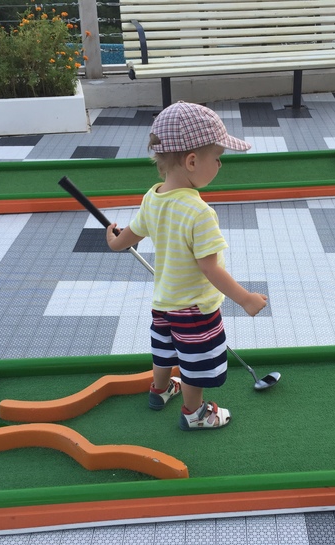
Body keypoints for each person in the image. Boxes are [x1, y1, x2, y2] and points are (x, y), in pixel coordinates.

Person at [106, 101, 268, 431]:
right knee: (196, 364)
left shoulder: (153, 197)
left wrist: (113, 240)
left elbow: (129, 236)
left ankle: (160, 390)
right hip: (195, 309)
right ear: (192, 161)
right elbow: (211, 269)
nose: (220, 164)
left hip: (163, 303)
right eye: (217, 157)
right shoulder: (199, 213)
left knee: (164, 351)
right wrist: (246, 299)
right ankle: (195, 413)